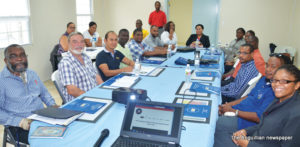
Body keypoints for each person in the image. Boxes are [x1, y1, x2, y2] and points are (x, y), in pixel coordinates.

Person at [214, 53, 292, 147]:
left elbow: (259, 118)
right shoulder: (263, 79)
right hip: (237, 111)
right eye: (267, 65)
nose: (268, 69)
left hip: (245, 121)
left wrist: (234, 111)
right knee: (213, 113)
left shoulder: (277, 91)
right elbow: (248, 96)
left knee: (219, 124)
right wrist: (228, 105)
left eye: (273, 67)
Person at [0, 44, 57, 144]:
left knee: (69, 131)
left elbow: (44, 93)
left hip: (41, 117)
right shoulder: (2, 81)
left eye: (22, 55)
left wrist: (52, 105)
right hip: (19, 126)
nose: (19, 59)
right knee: (51, 141)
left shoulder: (32, 74)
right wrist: (20, 122)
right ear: (5, 60)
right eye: (13, 56)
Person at [232, 64, 300, 147]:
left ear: (297, 85)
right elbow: (264, 125)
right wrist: (246, 131)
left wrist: (247, 144)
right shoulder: (278, 99)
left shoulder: (296, 114)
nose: (277, 84)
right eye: (274, 80)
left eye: (284, 81)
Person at [59, 32, 103, 102]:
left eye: (82, 42)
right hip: (79, 101)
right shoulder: (66, 63)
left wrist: (103, 89)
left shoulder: (86, 57)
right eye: (75, 42)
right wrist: (92, 98)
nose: (79, 45)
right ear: (68, 44)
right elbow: (72, 90)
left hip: (94, 95)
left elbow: (96, 76)